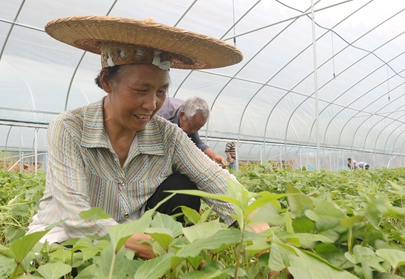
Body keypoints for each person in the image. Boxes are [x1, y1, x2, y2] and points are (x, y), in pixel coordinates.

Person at [26, 15, 266, 260]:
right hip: (72, 234)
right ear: (108, 81)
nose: (152, 105)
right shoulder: (70, 127)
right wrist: (127, 239)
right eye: (141, 90)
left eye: (161, 92)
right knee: (69, 264)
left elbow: (213, 177)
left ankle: (149, 266)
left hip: (136, 228)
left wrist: (258, 225)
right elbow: (74, 212)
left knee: (180, 188)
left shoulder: (167, 134)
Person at [156, 97, 228, 166]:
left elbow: (197, 142)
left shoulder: (191, 118)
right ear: (182, 115)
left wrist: (214, 156)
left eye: (199, 127)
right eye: (193, 126)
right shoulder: (161, 117)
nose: (194, 131)